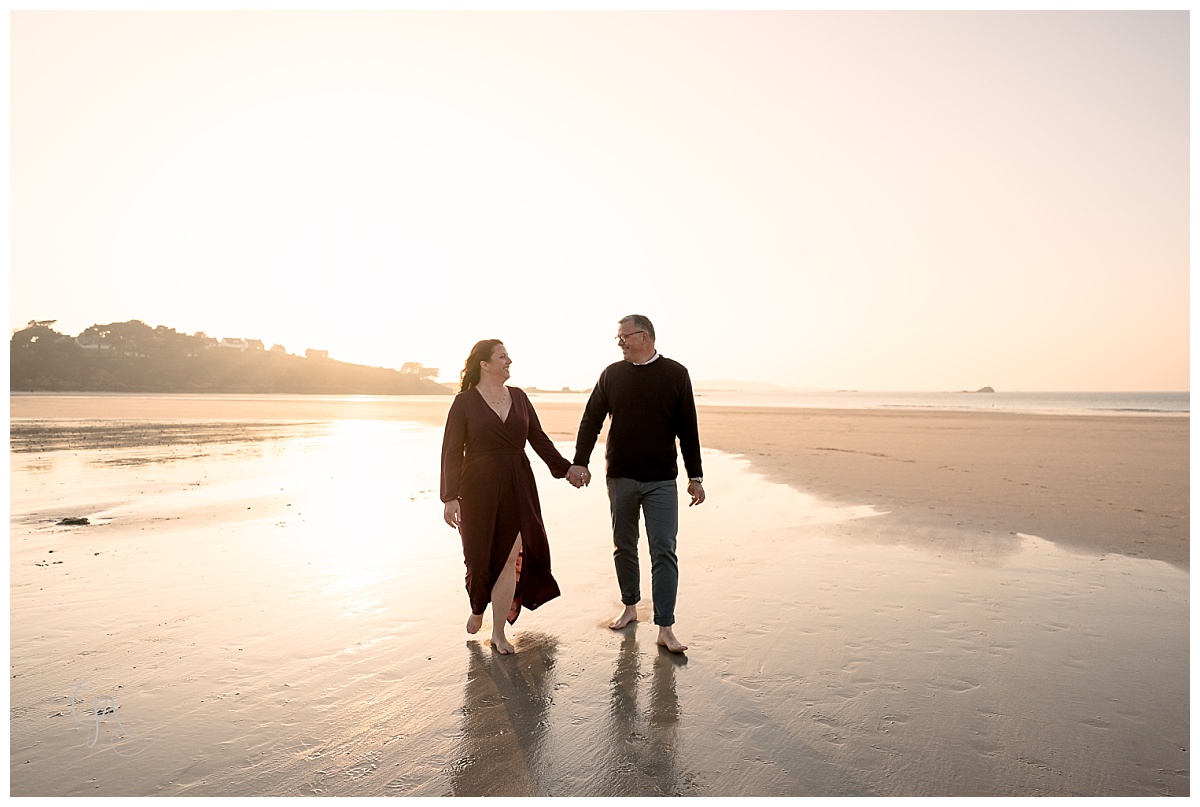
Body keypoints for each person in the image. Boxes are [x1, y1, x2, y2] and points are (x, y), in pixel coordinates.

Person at [567, 315, 705, 653]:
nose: (620, 344)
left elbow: (688, 429)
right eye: (618, 339)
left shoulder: (676, 374)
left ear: (644, 336)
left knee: (663, 551)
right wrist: (580, 461)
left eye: (623, 337)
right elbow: (591, 419)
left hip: (661, 480)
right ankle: (630, 607)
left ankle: (665, 627)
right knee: (624, 545)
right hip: (621, 477)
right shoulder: (612, 375)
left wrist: (695, 476)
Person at [441, 339, 575, 655]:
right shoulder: (464, 402)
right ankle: (478, 604)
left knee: (508, 558)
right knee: (477, 558)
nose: (509, 360)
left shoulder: (520, 398)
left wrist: (565, 469)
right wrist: (450, 496)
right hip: (476, 488)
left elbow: (538, 439)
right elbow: (451, 450)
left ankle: (498, 632)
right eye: (502, 356)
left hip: (518, 484)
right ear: (485, 364)